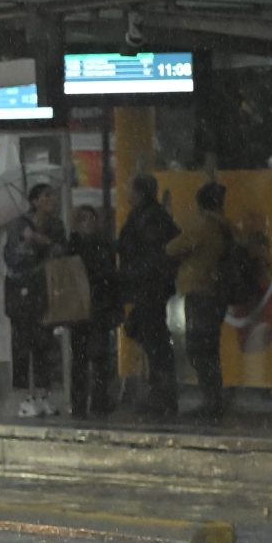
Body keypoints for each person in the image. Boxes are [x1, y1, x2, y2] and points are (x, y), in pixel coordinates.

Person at [166, 181, 233, 422]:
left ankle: (211, 402)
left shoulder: (205, 226)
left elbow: (173, 248)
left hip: (201, 291)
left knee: (200, 348)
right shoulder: (224, 226)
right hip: (215, 292)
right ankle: (214, 400)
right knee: (209, 348)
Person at [117, 174, 180, 417]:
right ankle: (161, 394)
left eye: (130, 188)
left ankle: (162, 396)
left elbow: (151, 253)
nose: (127, 193)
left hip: (149, 287)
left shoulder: (150, 218)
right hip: (148, 286)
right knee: (152, 338)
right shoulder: (147, 216)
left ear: (140, 192)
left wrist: (140, 273)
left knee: (155, 341)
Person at [2, 182, 65, 417]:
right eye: (47, 196)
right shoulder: (19, 225)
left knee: (44, 342)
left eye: (53, 196)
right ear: (35, 200)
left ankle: (43, 392)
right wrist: (26, 243)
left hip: (45, 289)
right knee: (23, 343)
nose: (52, 200)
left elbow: (61, 251)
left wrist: (41, 240)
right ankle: (26, 395)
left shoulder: (55, 226)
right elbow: (12, 258)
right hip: (21, 292)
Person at [65, 203, 122, 419]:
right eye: (83, 219)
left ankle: (99, 400)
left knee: (99, 357)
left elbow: (111, 277)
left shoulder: (102, 244)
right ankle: (80, 403)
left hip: (99, 307)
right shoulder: (74, 245)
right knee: (80, 358)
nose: (88, 223)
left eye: (91, 218)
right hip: (81, 308)